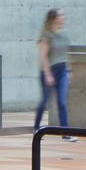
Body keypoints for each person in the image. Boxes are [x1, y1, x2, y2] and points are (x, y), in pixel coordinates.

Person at [35, 8, 74, 140]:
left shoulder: (65, 34)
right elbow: (43, 56)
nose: (63, 17)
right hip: (50, 69)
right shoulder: (46, 35)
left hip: (62, 69)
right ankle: (36, 128)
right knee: (44, 101)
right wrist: (47, 74)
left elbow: (66, 55)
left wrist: (68, 71)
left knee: (62, 101)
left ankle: (65, 132)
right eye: (61, 15)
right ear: (54, 18)